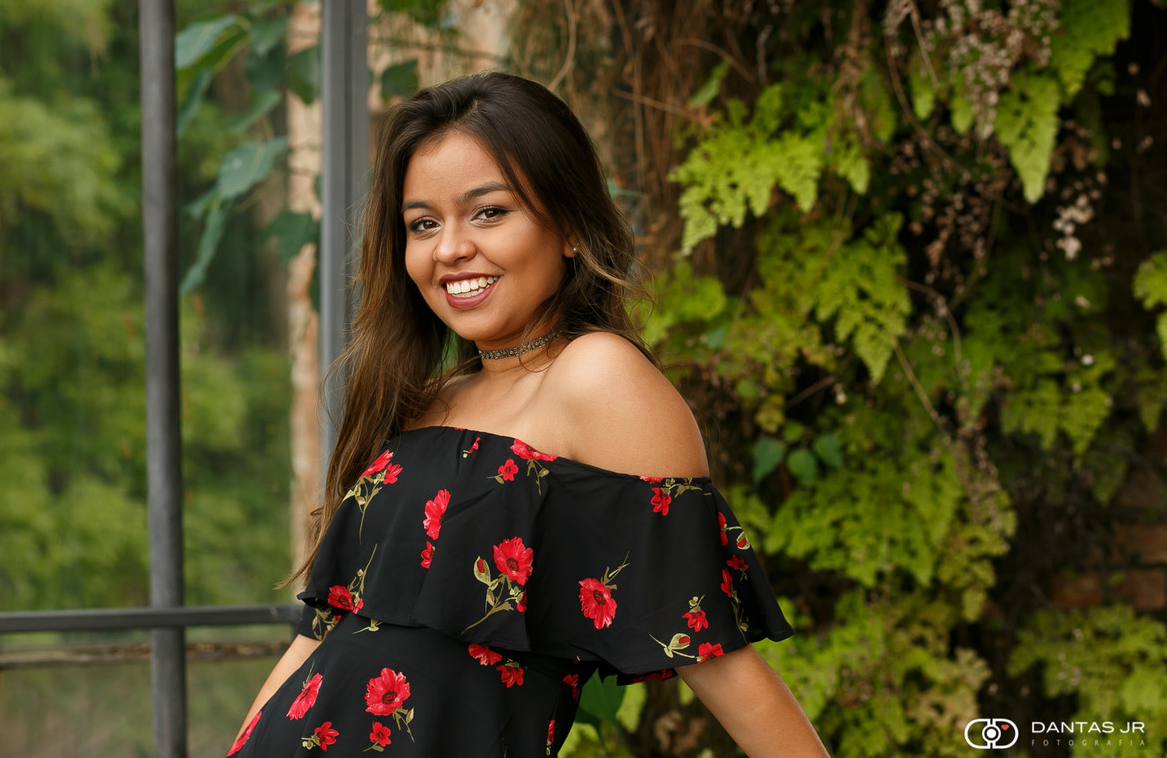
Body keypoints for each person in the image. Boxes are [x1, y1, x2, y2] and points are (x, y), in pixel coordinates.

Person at [229, 72, 830, 758]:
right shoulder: (427, 400)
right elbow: (318, 640)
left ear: (570, 226)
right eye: (423, 223)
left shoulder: (597, 378)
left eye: (488, 212)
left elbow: (720, 662)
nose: (450, 247)